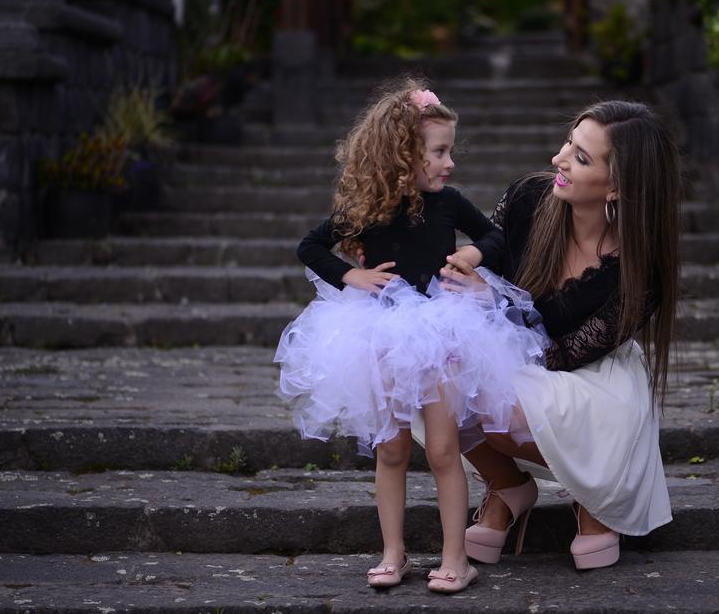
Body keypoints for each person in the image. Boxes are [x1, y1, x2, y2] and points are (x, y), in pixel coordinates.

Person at [274, 80, 546, 593]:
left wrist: (472, 255)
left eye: (449, 150)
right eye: (440, 151)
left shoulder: (449, 203)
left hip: (442, 328)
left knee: (444, 448)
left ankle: (454, 557)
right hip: (382, 332)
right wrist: (352, 276)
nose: (450, 162)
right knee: (392, 449)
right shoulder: (367, 208)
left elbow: (496, 235)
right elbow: (311, 246)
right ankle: (393, 553)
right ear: (403, 155)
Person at [439, 100, 680, 570]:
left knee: (494, 404)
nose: (559, 158)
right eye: (571, 141)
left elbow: (563, 355)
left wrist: (495, 304)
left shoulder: (638, 269)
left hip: (590, 375)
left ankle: (596, 493)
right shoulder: (529, 198)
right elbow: (486, 257)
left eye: (582, 157)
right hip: (511, 352)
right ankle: (508, 486)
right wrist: (464, 272)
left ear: (617, 187)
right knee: (429, 372)